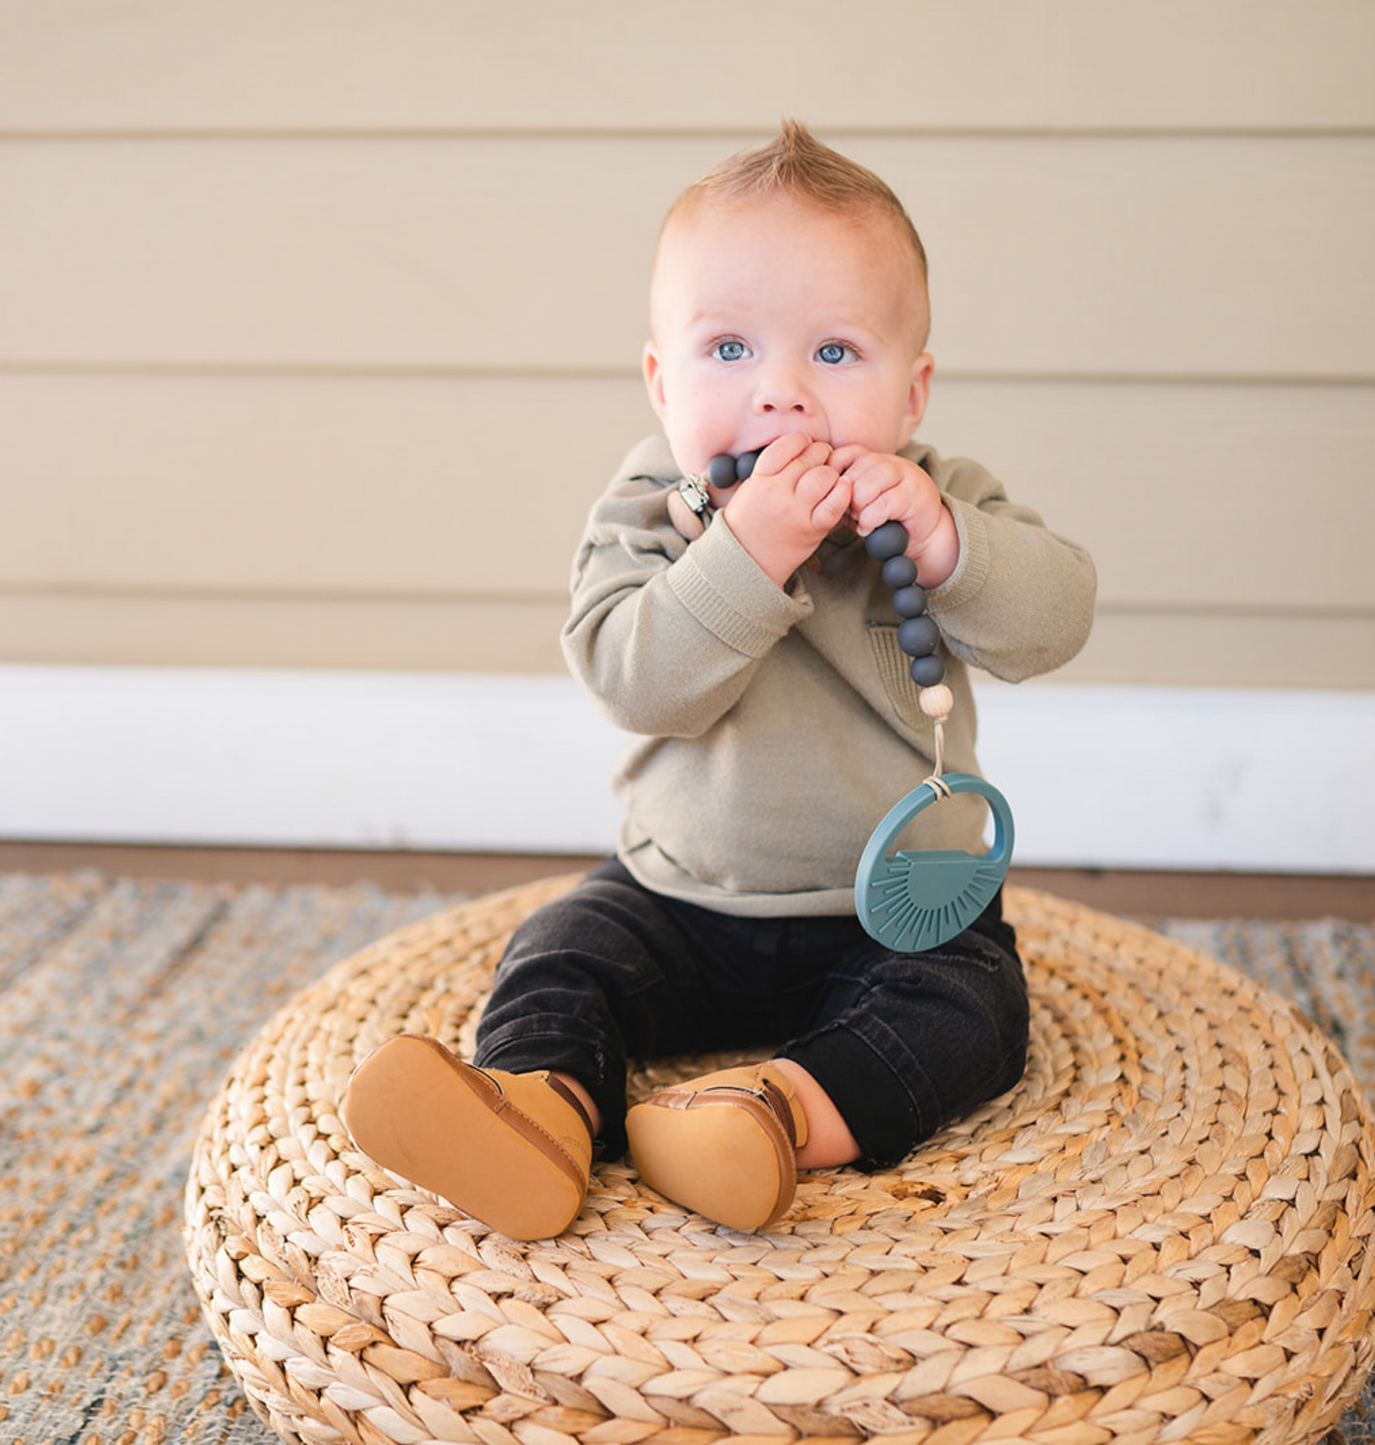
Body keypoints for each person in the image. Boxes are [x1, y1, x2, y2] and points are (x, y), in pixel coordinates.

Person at [344, 121, 1096, 1240]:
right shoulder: (651, 510)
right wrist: (744, 557)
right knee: (559, 952)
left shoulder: (934, 497)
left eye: (835, 354)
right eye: (729, 350)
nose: (782, 394)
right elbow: (632, 678)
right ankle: (542, 1110)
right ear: (660, 379)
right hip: (678, 897)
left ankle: (770, 1114)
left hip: (890, 910)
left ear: (914, 390)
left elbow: (1055, 618)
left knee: (972, 1012)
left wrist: (946, 547)